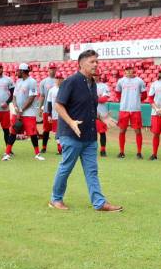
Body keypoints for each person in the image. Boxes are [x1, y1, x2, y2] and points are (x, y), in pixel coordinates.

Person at [49, 50, 121, 212]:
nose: (96, 64)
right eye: (92, 62)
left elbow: (88, 108)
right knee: (66, 167)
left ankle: (99, 203)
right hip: (71, 134)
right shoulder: (71, 82)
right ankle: (56, 199)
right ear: (81, 64)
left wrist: (102, 118)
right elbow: (58, 105)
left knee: (92, 171)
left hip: (89, 136)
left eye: (97, 61)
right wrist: (71, 122)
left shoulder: (92, 84)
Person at [6, 63, 44, 161]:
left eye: (18, 70)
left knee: (32, 133)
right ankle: (7, 153)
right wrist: (15, 106)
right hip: (18, 111)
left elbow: (31, 98)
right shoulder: (18, 81)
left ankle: (37, 154)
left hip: (28, 112)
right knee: (13, 132)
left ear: (22, 71)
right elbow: (14, 96)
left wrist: (21, 110)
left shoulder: (32, 82)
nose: (17, 72)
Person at [115, 64, 147, 159]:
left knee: (137, 131)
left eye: (130, 69)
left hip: (135, 109)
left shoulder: (139, 81)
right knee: (122, 130)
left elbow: (144, 95)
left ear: (134, 70)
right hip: (124, 109)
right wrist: (124, 100)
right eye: (127, 69)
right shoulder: (121, 81)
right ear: (124, 71)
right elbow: (117, 93)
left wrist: (136, 100)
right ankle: (121, 152)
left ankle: (139, 152)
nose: (128, 71)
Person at [39, 62, 59, 153]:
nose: (52, 70)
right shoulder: (44, 82)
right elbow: (42, 96)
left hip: (58, 111)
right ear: (48, 70)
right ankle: (44, 147)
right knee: (46, 130)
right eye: (51, 69)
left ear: (56, 69)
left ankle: (60, 149)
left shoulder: (60, 80)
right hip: (47, 109)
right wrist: (40, 108)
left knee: (58, 130)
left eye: (54, 68)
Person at [45, 74, 64, 154]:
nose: (59, 80)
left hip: (65, 114)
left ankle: (63, 148)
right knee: (56, 131)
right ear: (55, 79)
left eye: (60, 78)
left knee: (64, 132)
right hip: (55, 114)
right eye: (57, 78)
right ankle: (60, 149)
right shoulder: (52, 90)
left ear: (63, 79)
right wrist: (49, 115)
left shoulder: (66, 89)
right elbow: (49, 103)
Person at [94, 69, 111, 157]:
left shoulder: (104, 86)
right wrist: (98, 98)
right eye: (94, 75)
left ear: (99, 76)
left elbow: (104, 99)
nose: (95, 76)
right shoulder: (88, 85)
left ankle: (103, 150)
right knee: (91, 133)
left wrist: (93, 98)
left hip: (102, 113)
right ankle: (92, 150)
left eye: (97, 75)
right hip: (90, 113)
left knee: (102, 132)